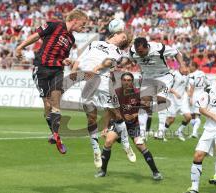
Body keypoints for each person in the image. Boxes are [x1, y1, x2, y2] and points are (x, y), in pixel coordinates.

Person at [15, 9, 88, 154]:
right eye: (83, 24)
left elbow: (63, 57)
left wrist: (66, 60)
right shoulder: (55, 25)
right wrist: (20, 47)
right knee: (47, 105)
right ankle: (54, 132)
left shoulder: (71, 39)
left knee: (55, 102)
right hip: (41, 68)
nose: (84, 27)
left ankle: (56, 136)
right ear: (75, 20)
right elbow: (36, 36)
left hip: (57, 71)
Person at [70, 31, 136, 168]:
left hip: (103, 82)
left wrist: (97, 68)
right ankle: (95, 150)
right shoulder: (95, 43)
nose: (123, 40)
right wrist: (73, 71)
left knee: (117, 114)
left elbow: (108, 62)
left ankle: (126, 145)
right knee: (91, 118)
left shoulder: (118, 52)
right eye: (123, 36)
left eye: (125, 40)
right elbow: (80, 59)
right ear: (115, 34)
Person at [96, 72, 163, 180]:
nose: (127, 82)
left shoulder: (138, 93)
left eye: (129, 80)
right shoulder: (115, 93)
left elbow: (146, 108)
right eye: (125, 80)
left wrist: (134, 115)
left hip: (133, 125)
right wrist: (105, 127)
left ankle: (156, 172)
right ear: (121, 81)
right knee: (108, 141)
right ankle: (102, 171)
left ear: (132, 82)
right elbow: (108, 112)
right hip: (118, 124)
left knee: (140, 146)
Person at [129, 37, 187, 142]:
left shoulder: (159, 48)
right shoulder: (132, 51)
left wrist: (182, 65)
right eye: (138, 52)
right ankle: (142, 133)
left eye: (141, 51)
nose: (140, 54)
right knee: (144, 102)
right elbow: (131, 60)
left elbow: (177, 52)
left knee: (160, 99)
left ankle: (161, 131)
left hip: (163, 76)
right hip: (147, 76)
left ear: (147, 47)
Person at [163, 66, 191, 141]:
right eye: (185, 68)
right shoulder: (173, 75)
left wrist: (189, 94)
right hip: (172, 99)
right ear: (180, 68)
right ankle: (162, 133)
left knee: (188, 117)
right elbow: (168, 87)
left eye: (187, 68)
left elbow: (187, 86)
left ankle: (179, 132)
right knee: (171, 119)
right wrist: (175, 93)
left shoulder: (187, 75)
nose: (187, 70)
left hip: (182, 101)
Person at [188, 62, 210, 138]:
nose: (189, 68)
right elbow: (208, 83)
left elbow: (192, 87)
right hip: (202, 95)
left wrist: (190, 98)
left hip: (194, 95)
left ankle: (194, 133)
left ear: (194, 66)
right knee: (197, 115)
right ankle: (194, 132)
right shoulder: (202, 73)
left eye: (190, 66)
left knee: (193, 115)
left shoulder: (191, 75)